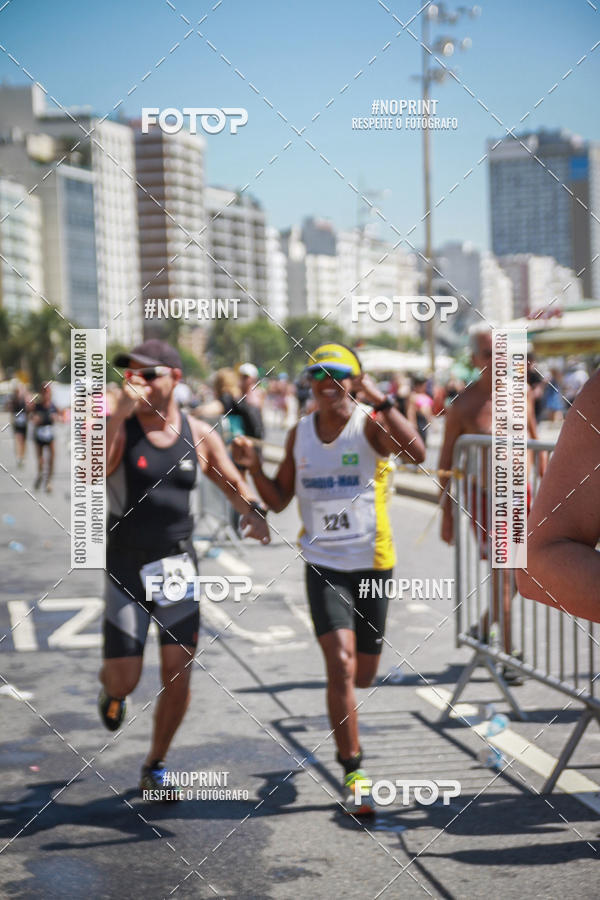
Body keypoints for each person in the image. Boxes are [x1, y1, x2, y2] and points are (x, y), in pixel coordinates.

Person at [232, 343, 425, 815]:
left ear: (355, 382)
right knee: (339, 664)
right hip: (324, 565)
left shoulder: (369, 425)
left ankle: (350, 745)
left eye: (337, 374)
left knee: (364, 674)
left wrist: (382, 400)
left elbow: (416, 453)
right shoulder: (299, 434)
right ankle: (353, 769)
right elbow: (278, 499)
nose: (325, 382)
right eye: (316, 374)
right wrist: (254, 469)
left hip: (373, 563)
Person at [101, 340, 270, 799]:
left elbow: (229, 479)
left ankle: (155, 763)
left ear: (174, 377)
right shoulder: (121, 426)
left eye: (147, 373)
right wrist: (118, 413)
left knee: (178, 671)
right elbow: (93, 471)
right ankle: (112, 692)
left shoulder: (196, 430)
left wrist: (253, 513)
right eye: (130, 374)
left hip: (175, 564)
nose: (136, 381)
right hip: (126, 563)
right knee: (124, 678)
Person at [438, 325, 539, 682]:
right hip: (487, 500)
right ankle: (509, 655)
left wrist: (548, 493)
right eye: (488, 354)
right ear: (473, 359)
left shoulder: (523, 393)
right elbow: (446, 462)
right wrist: (446, 515)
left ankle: (483, 629)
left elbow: (536, 442)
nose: (497, 361)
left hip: (523, 496)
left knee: (521, 575)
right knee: (506, 572)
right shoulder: (462, 406)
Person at [516, 370, 600, 622]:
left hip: (518, 486)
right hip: (492, 490)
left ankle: (494, 629)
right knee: (501, 568)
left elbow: (530, 427)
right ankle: (497, 631)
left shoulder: (524, 392)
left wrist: (541, 460)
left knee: (503, 570)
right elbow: (539, 563)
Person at [32, 383, 59, 492]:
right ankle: (40, 474)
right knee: (41, 459)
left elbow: (59, 416)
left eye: (48, 392)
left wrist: (56, 417)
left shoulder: (52, 405)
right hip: (39, 434)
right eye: (44, 392)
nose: (46, 394)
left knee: (52, 457)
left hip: (49, 433)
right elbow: (31, 417)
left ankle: (49, 481)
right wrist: (35, 418)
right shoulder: (37, 405)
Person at [8, 382, 30, 468]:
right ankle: (18, 457)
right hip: (17, 423)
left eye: (20, 391)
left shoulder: (25, 400)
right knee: (18, 439)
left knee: (23, 441)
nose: (18, 393)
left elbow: (29, 410)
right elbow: (10, 411)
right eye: (17, 391)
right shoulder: (13, 400)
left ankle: (22, 456)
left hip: (24, 423)